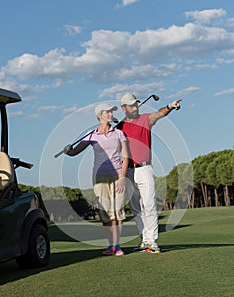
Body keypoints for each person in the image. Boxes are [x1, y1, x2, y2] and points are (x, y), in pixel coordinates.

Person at [117, 93, 182, 253]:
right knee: (135, 208)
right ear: (123, 108)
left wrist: (170, 107)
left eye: (136, 104)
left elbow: (158, 114)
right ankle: (144, 240)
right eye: (131, 105)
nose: (135, 107)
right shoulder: (119, 128)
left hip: (145, 168)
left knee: (150, 205)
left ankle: (152, 241)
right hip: (128, 171)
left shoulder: (145, 119)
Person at [64, 103, 129, 256]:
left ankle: (117, 245)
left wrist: (122, 178)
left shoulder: (118, 133)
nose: (112, 114)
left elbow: (125, 157)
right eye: (109, 112)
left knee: (117, 211)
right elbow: (75, 152)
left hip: (117, 175)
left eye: (112, 112)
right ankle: (111, 245)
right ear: (100, 115)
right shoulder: (91, 134)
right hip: (99, 177)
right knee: (105, 212)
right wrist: (68, 151)